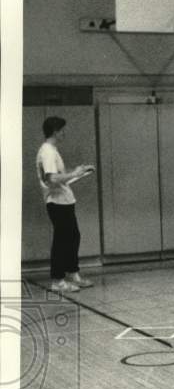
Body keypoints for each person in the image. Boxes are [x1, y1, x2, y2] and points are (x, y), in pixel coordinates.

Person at [36, 116, 96, 293]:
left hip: (64, 200)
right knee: (62, 240)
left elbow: (59, 178)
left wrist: (79, 173)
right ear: (55, 131)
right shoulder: (47, 151)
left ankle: (72, 273)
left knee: (72, 237)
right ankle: (58, 280)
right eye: (62, 130)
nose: (64, 133)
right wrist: (74, 173)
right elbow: (52, 178)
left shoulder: (52, 150)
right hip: (56, 201)